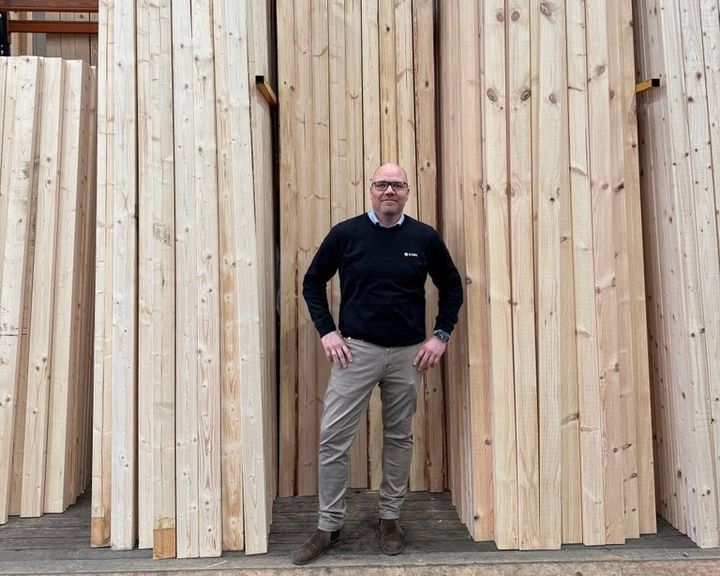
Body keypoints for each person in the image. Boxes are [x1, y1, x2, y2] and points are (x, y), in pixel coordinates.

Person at [292, 163, 464, 565]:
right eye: (382, 184)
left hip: (408, 356)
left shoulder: (424, 238)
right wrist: (327, 332)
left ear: (407, 192)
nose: (390, 190)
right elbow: (312, 282)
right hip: (356, 351)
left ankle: (390, 518)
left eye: (397, 185)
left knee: (399, 437)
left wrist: (441, 336)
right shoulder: (346, 234)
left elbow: (452, 287)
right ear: (371, 190)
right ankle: (328, 525)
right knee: (334, 439)